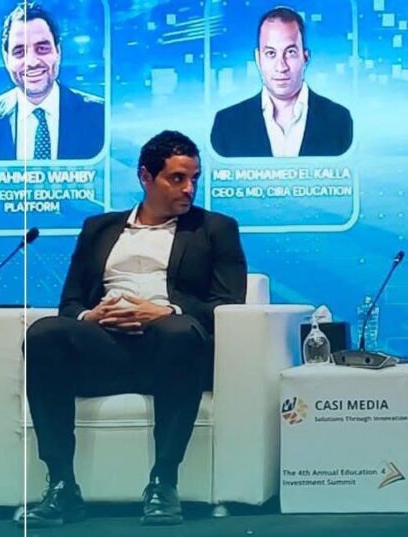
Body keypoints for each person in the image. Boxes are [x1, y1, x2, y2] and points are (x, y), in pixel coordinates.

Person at [21, 131, 248, 527]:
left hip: (173, 352)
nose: (189, 188)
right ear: (146, 176)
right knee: (43, 334)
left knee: (177, 332)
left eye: (194, 178)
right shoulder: (99, 228)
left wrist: (165, 311)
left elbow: (228, 302)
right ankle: (61, 486)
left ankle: (163, 483)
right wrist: (89, 317)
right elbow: (70, 302)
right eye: (177, 178)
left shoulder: (215, 229)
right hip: (105, 348)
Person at [210, 6, 352, 158]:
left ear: (305, 57)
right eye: (271, 53)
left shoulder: (339, 119)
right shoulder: (226, 123)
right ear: (258, 59)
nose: (281, 66)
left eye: (290, 52)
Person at [0, 2, 105, 160]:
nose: (32, 62)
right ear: (6, 59)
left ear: (58, 52)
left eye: (42, 49)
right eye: (19, 52)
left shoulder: (101, 115)